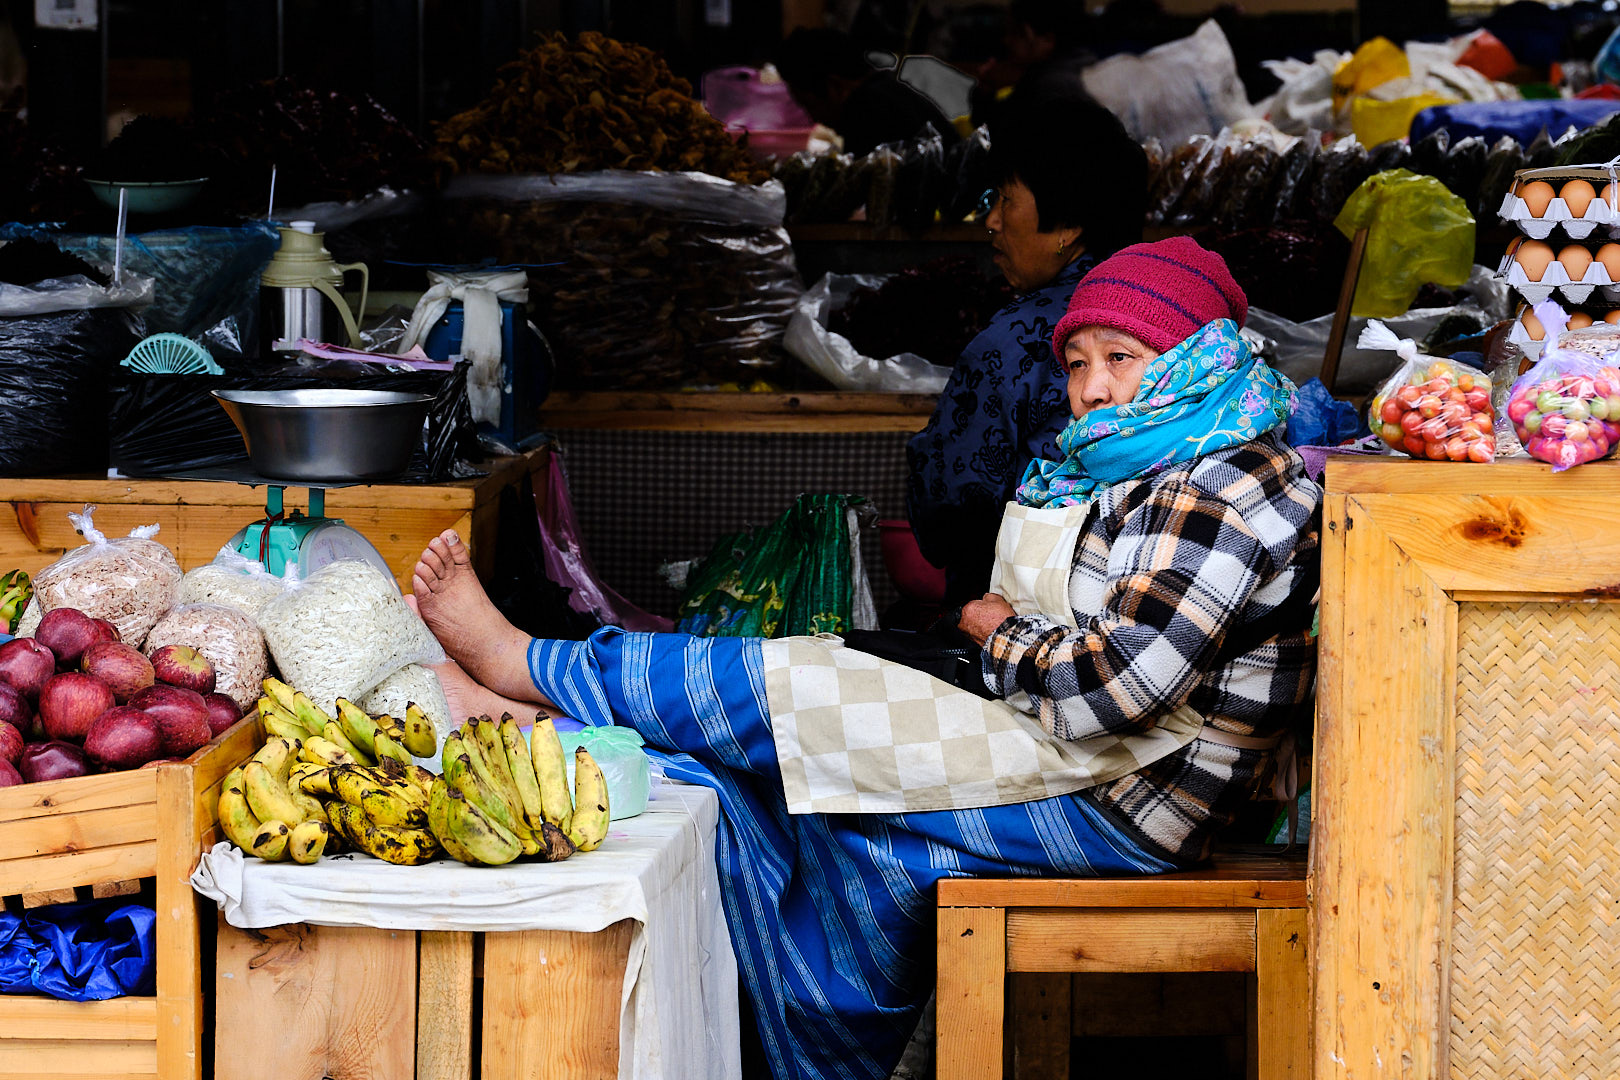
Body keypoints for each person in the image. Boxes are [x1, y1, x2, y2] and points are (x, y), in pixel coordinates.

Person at [413, 236, 1319, 1080]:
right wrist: (1005, 641)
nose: (1091, 389)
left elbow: (1107, 691)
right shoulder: (1161, 462)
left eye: (1122, 358)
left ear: (1202, 355)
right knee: (843, 825)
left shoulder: (1217, 490)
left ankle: (528, 666)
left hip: (1126, 798)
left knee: (787, 696)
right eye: (1078, 363)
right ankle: (557, 727)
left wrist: (994, 628)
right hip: (1093, 764)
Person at [906, 92, 1147, 606]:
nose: (991, 221)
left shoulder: (1012, 343)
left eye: (1005, 199)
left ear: (1066, 226)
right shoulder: (1167, 317)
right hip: (1151, 592)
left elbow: (950, 512)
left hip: (1015, 615)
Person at [775, 27, 959, 157]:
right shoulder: (884, 90)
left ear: (835, 86)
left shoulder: (866, 111)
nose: (813, 119)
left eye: (809, 105)